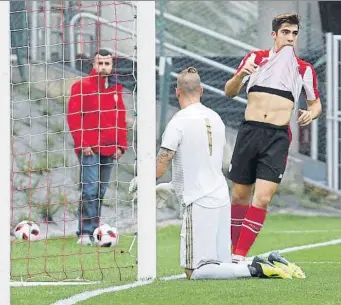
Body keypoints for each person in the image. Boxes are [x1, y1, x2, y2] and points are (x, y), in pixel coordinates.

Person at [130, 67, 295, 280]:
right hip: (220, 199)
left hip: (198, 203)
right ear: (201, 91)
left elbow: (161, 164)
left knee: (194, 271)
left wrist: (143, 181)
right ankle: (268, 260)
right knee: (220, 265)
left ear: (177, 92)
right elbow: (208, 163)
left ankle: (256, 267)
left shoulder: (178, 121)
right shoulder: (215, 118)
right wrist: (173, 187)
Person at [224, 13, 322, 267]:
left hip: (277, 138)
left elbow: (316, 104)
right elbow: (229, 91)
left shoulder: (304, 69)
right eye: (286, 32)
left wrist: (311, 113)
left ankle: (238, 256)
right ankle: (231, 250)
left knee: (263, 198)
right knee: (239, 197)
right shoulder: (255, 59)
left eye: (294, 34)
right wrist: (239, 76)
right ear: (274, 35)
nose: (290, 38)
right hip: (249, 132)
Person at [67, 49, 128, 245]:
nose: (103, 67)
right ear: (93, 65)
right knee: (90, 190)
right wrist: (83, 143)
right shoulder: (81, 86)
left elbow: (121, 119)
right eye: (99, 63)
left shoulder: (116, 90)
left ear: (111, 66)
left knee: (100, 192)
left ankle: (94, 231)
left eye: (106, 64)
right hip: (90, 149)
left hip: (110, 149)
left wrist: (121, 145)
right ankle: (85, 232)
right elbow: (74, 117)